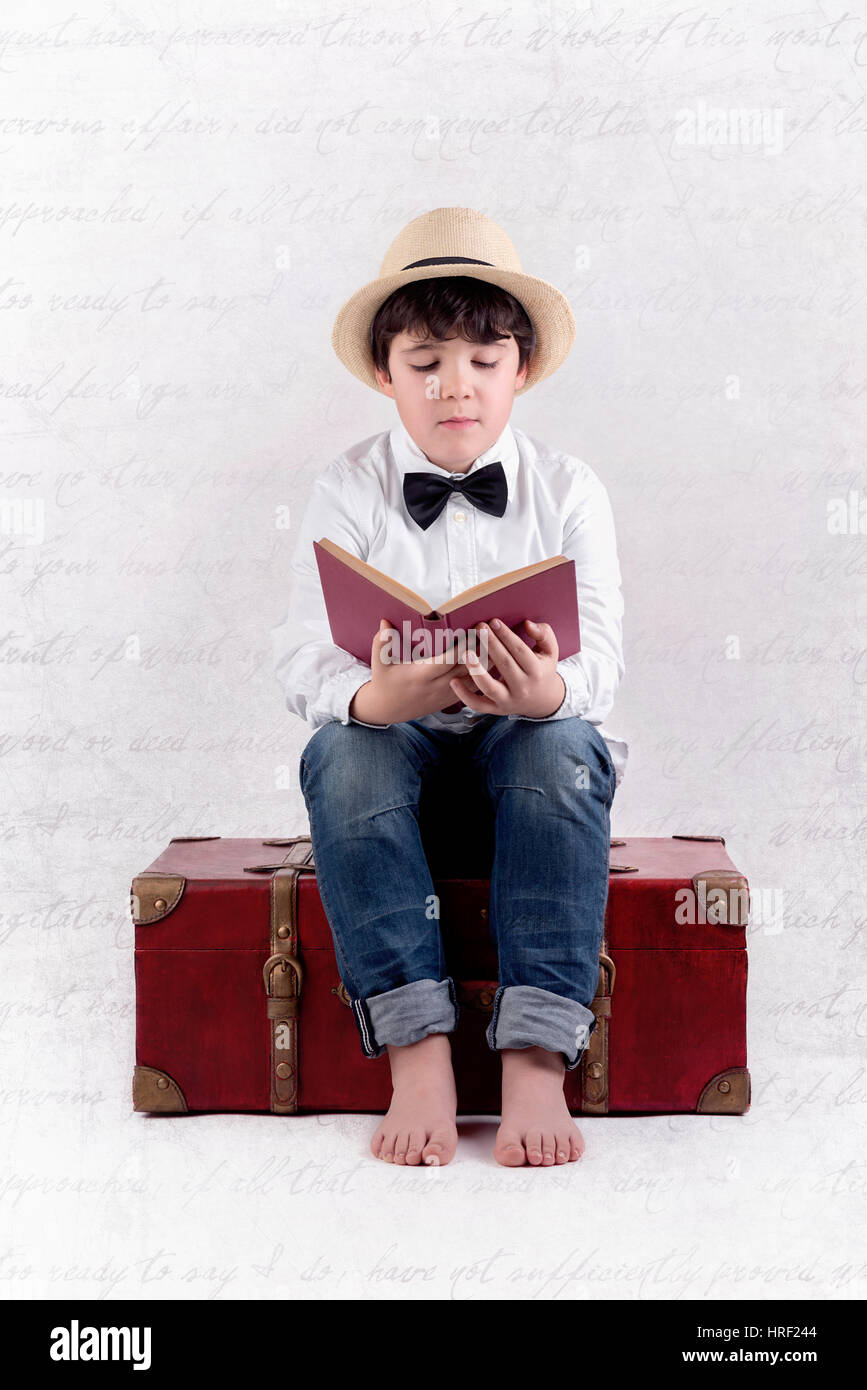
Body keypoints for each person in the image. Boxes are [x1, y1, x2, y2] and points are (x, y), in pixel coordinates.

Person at [271, 207, 627, 1168]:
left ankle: (538, 1057)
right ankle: (416, 1045)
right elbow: (303, 654)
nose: (453, 387)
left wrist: (547, 690)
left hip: (526, 752)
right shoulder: (348, 487)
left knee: (562, 743)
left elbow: (602, 668)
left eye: (481, 361)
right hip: (400, 762)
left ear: (520, 370)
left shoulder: (569, 489)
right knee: (340, 751)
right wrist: (371, 699)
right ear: (386, 374)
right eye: (425, 364)